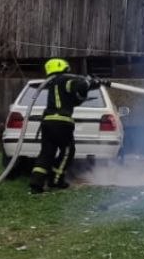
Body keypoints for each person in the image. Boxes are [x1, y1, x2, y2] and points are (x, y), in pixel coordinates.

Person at [29, 58, 109, 194]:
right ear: (63, 67)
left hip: (47, 122)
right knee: (67, 151)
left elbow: (76, 97)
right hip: (61, 122)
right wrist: (89, 81)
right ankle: (56, 180)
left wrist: (95, 84)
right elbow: (81, 86)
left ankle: (36, 184)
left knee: (46, 153)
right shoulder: (65, 79)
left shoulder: (53, 83)